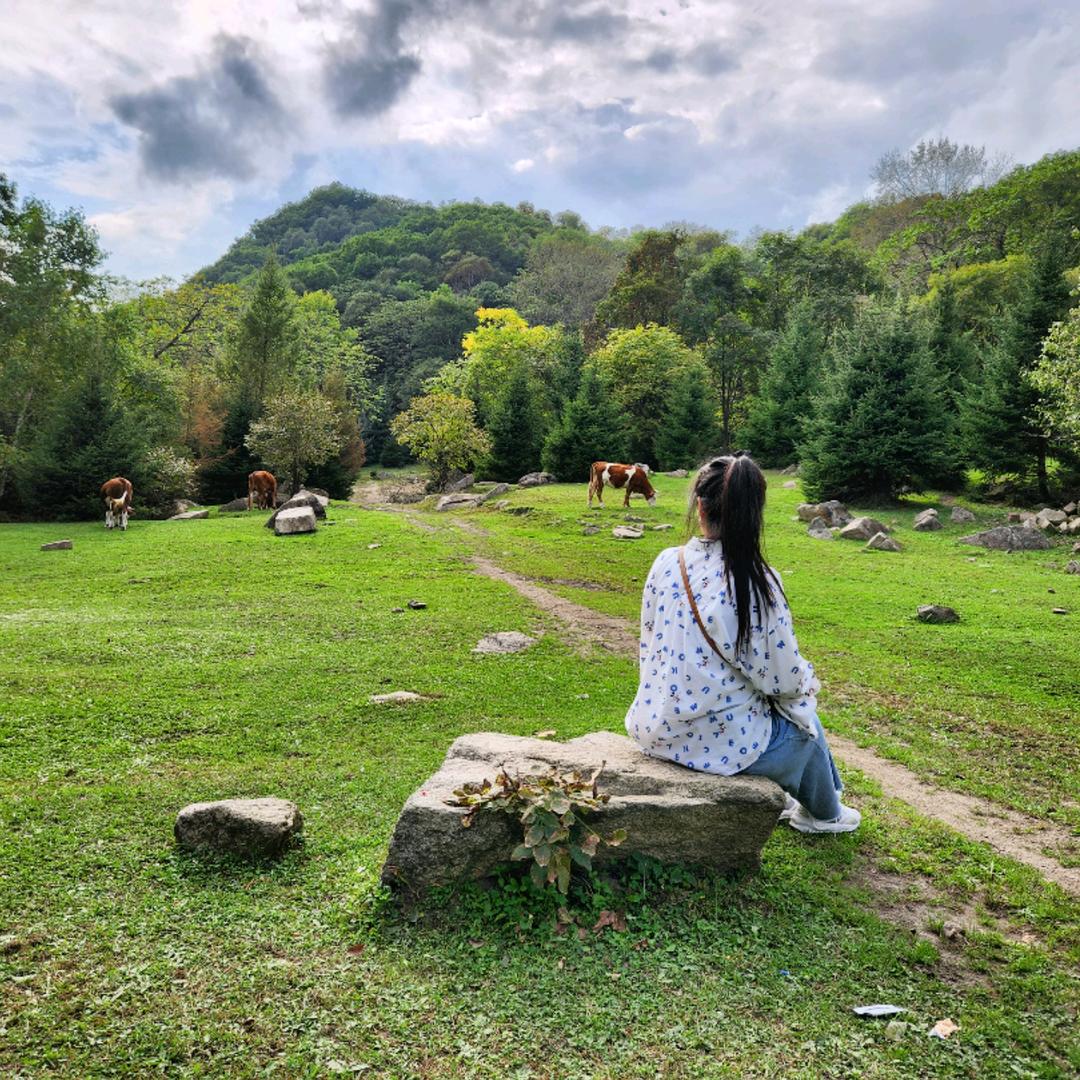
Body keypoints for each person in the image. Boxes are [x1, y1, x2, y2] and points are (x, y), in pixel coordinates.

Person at [624, 453, 860, 834]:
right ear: (754, 513)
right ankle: (823, 814)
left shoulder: (667, 562)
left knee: (797, 713)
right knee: (806, 724)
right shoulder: (755, 582)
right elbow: (782, 680)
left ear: (699, 505)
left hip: (654, 727)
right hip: (718, 745)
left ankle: (821, 806)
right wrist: (808, 682)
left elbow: (649, 644)